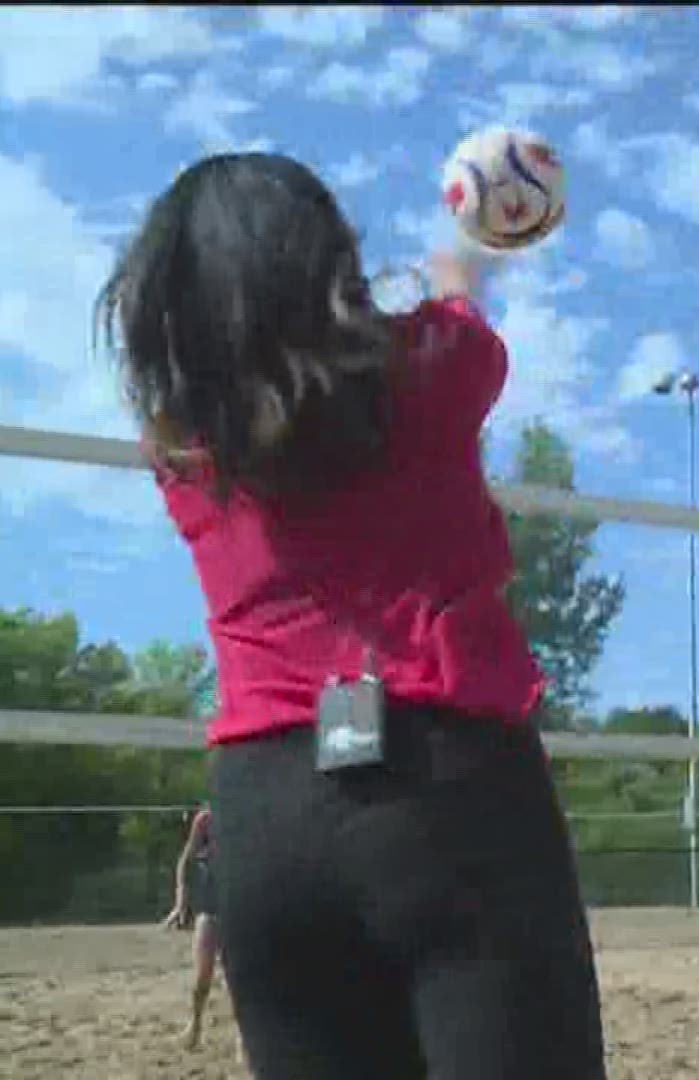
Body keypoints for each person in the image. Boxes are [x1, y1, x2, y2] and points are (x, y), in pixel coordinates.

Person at [100, 151, 605, 1080]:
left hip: (265, 821)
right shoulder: (433, 369)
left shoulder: (179, 448)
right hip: (451, 791)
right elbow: (458, 299)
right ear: (331, 267)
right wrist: (467, 239)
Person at [163, 803, 222, 1049]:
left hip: (244, 905)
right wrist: (180, 903)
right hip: (211, 904)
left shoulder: (254, 814)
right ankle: (195, 1025)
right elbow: (185, 862)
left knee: (239, 978)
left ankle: (245, 1038)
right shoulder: (206, 819)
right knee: (201, 976)